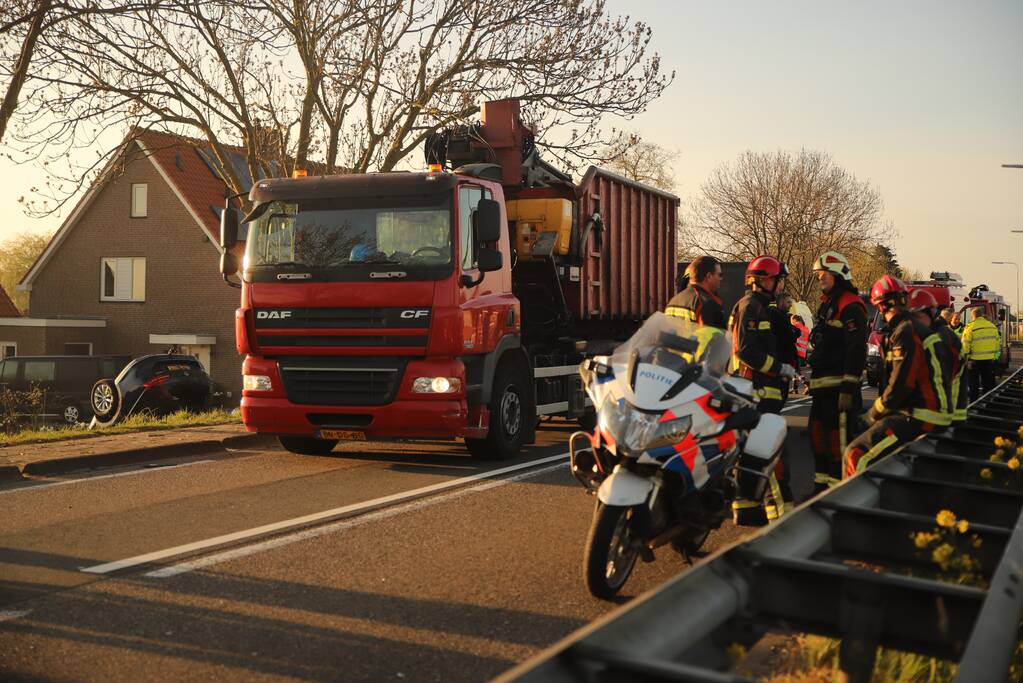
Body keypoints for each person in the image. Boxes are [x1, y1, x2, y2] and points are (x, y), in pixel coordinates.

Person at [843, 276, 950, 477]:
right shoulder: (907, 330)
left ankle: (848, 505)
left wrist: (871, 415)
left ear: (880, 306)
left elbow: (901, 385)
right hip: (920, 412)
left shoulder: (905, 333)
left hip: (919, 415)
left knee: (855, 454)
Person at [728, 255, 796, 525]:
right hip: (757, 390)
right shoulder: (751, 306)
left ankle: (747, 508)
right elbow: (746, 351)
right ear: (765, 279)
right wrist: (779, 368)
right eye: (778, 279)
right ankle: (783, 517)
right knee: (772, 451)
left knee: (753, 452)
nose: (780, 285)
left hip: (760, 389)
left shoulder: (761, 306)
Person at [806, 251, 867, 491]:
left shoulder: (850, 306)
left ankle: (839, 494)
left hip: (839, 389)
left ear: (838, 274)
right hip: (822, 388)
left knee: (838, 444)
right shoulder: (828, 303)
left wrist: (849, 388)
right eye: (818, 275)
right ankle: (820, 492)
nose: (819, 278)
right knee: (818, 440)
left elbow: (856, 349)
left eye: (823, 274)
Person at [909, 290, 956, 429]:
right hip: (941, 410)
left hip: (928, 414)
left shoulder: (932, 338)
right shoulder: (945, 334)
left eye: (915, 316)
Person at [666, 256, 726, 328]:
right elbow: (715, 337)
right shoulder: (706, 303)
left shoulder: (673, 301)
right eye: (719, 275)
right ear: (709, 276)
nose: (721, 279)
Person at [962, 307, 1001, 401]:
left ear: (973, 316)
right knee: (987, 382)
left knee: (973, 383)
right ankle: (987, 401)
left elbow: (965, 344)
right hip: (989, 359)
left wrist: (966, 358)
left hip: (974, 360)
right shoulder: (992, 326)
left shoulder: (970, 327)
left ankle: (974, 402)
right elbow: (997, 342)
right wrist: (994, 357)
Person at [770, 292, 799, 406]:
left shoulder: (783, 317)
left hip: (784, 359)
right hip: (782, 359)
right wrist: (794, 332)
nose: (790, 305)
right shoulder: (779, 317)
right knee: (781, 391)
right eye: (788, 302)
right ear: (781, 302)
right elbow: (790, 335)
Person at [790, 312, 810, 393]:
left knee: (794, 371)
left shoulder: (794, 327)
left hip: (795, 352)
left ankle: (806, 384)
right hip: (803, 353)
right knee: (796, 370)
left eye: (791, 320)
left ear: (794, 320)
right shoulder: (806, 329)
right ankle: (794, 389)